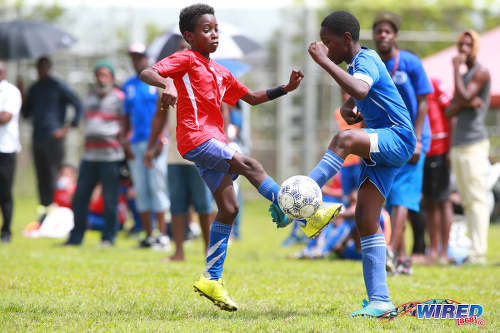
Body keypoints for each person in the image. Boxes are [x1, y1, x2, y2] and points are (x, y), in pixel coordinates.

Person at [140, 4, 339, 312]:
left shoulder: (221, 72)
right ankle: (306, 215)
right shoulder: (185, 58)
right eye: (206, 30)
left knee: (229, 209)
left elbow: (250, 98)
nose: (213, 34)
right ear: (189, 36)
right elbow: (147, 71)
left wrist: (285, 89)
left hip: (213, 140)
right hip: (196, 138)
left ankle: (211, 279)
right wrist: (166, 82)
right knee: (251, 165)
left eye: (216, 29)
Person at [306, 10, 416, 317]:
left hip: (397, 136)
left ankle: (306, 194)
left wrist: (323, 61)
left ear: (345, 39)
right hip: (387, 142)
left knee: (344, 139)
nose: (326, 49)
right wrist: (350, 105)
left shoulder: (364, 61)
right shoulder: (360, 63)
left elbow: (363, 88)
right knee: (367, 218)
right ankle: (381, 301)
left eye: (328, 44)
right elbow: (364, 94)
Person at [372, 11, 433, 275]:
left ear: (395, 35)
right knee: (389, 197)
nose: (382, 35)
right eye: (378, 31)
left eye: (387, 31)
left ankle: (390, 252)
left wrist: (418, 140)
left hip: (413, 139)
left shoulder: (410, 63)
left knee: (401, 198)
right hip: (387, 137)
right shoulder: (373, 64)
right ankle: (403, 261)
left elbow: (423, 103)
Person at [65, 61, 125, 247]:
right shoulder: (89, 97)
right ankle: (76, 237)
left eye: (105, 75)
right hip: (90, 156)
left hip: (111, 157)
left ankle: (108, 238)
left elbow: (125, 123)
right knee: (80, 197)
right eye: (99, 74)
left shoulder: (120, 98)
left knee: (109, 199)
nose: (101, 78)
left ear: (112, 78)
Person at [445, 30, 491, 264]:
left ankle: (478, 253)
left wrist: (463, 98)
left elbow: (460, 98)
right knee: (466, 200)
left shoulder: (481, 72)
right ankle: (473, 250)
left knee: (476, 199)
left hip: (474, 143)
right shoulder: (464, 77)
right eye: (460, 44)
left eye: (467, 44)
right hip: (458, 144)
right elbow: (450, 109)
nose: (462, 48)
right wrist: (464, 101)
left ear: (475, 47)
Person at [123, 42, 170, 250]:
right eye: (134, 57)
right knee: (141, 189)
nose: (137, 60)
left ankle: (163, 235)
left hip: (155, 143)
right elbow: (126, 116)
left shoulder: (157, 81)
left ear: (147, 58)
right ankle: (149, 235)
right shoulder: (129, 85)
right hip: (136, 143)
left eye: (140, 56)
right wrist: (125, 141)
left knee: (157, 187)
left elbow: (165, 113)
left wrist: (163, 138)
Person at [21, 56, 83, 209]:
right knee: (41, 176)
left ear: (49, 68)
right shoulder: (34, 89)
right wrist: (22, 95)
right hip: (38, 137)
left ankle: (56, 207)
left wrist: (68, 127)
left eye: (44, 67)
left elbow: (78, 103)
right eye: (39, 67)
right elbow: (26, 114)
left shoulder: (58, 86)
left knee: (53, 175)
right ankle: (44, 208)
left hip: (54, 138)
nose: (42, 70)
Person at [423, 78, 453, 265]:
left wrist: (450, 147)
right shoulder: (411, 86)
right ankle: (433, 250)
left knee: (443, 200)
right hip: (424, 149)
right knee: (429, 201)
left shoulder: (434, 83)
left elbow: (451, 113)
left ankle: (445, 250)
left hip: (441, 148)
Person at [0, 61, 22, 243]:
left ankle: (6, 230)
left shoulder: (11, 92)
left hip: (5, 148)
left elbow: (5, 117)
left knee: (4, 191)